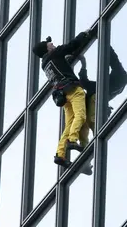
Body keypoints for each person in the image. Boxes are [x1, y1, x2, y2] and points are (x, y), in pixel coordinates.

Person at [32, 30, 95, 169]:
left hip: (62, 96)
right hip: (73, 89)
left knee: (69, 123)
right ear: (47, 49)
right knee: (81, 115)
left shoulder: (45, 64)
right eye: (51, 44)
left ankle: (60, 155)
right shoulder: (55, 54)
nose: (54, 45)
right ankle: (73, 140)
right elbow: (72, 45)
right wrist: (84, 34)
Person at [66, 46, 127, 147]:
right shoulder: (104, 87)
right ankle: (85, 151)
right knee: (86, 127)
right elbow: (85, 83)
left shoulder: (111, 85)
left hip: (92, 104)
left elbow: (85, 83)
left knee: (89, 126)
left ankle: (86, 150)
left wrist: (83, 64)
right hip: (91, 104)